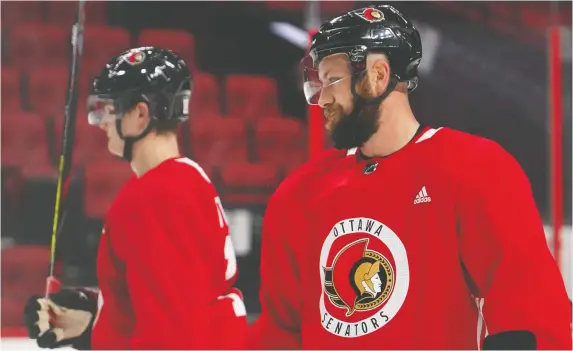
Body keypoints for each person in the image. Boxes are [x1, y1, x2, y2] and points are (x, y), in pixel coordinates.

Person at [247, 5, 572, 350]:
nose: (322, 98)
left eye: (332, 80)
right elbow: (278, 333)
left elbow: (530, 316)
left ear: (377, 76)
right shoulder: (299, 194)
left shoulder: (473, 169)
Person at [23, 47, 247, 350]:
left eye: (108, 109)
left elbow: (171, 338)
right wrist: (92, 323)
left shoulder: (153, 198)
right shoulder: (188, 177)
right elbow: (173, 309)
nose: (100, 122)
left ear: (140, 114)